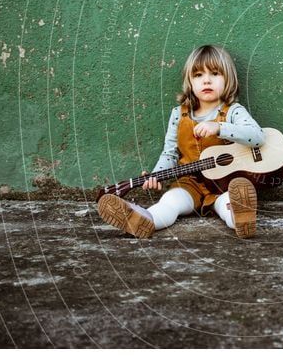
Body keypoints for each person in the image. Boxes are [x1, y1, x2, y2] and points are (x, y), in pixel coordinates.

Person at [97, 44, 264, 239]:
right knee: (170, 202)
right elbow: (170, 153)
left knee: (228, 202)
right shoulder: (179, 114)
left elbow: (258, 136)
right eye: (198, 75)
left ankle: (240, 219)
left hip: (224, 183)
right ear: (190, 82)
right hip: (189, 181)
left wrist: (220, 127)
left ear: (228, 79)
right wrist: (157, 176)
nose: (207, 80)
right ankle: (143, 219)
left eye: (215, 73)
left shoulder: (233, 111)